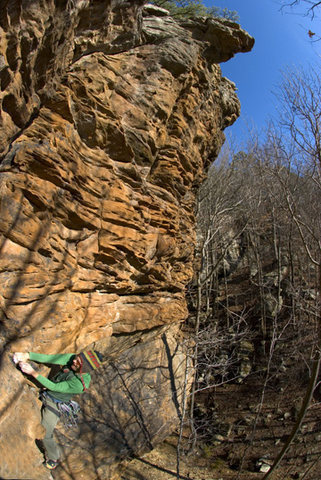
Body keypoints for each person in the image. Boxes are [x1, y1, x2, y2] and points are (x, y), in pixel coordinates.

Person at [13, 350, 103, 470]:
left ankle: (53, 457)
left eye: (78, 362)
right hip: (49, 390)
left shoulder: (80, 384)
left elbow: (54, 387)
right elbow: (52, 358)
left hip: (55, 402)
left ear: (83, 368)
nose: (74, 360)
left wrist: (33, 372)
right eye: (77, 357)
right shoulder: (73, 359)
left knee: (45, 432)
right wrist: (28, 355)